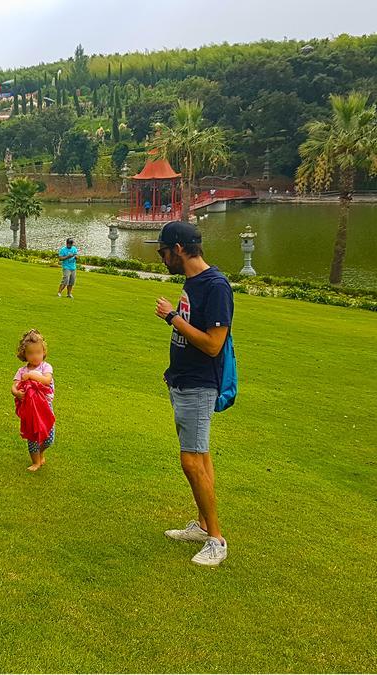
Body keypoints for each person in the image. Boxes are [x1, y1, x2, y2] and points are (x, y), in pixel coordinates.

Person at [152, 220, 233, 567]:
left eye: (163, 252)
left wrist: (172, 317)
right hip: (184, 380)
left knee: (191, 460)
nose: (162, 258)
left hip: (201, 383)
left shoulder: (215, 286)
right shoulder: (193, 282)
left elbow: (214, 345)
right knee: (200, 456)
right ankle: (202, 526)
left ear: (180, 249)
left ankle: (216, 539)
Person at [11, 329, 55, 472]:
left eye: (38, 352)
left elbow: (47, 381)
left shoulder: (45, 367)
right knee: (32, 436)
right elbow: (14, 386)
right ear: (24, 354)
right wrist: (17, 393)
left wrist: (31, 376)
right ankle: (36, 461)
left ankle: (41, 452)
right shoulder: (21, 371)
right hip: (30, 408)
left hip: (45, 407)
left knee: (49, 438)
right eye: (31, 353)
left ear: (43, 352)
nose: (35, 356)